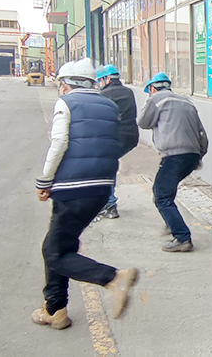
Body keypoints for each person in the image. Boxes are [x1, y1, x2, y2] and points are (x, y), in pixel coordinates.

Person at [32, 58, 138, 330]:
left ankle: (113, 278)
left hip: (72, 188)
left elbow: (59, 143)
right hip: (101, 188)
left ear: (66, 84)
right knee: (59, 246)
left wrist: (44, 180)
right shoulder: (109, 106)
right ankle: (55, 309)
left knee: (54, 253)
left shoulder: (66, 103)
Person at [137, 72, 209, 252]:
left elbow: (143, 122)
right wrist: (199, 155)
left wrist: (150, 100)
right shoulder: (187, 101)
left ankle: (182, 237)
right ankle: (171, 222)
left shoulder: (156, 99)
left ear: (152, 88)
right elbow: (201, 133)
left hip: (174, 156)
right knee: (163, 191)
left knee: (162, 196)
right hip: (192, 155)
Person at [94, 64, 139, 221]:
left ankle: (109, 204)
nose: (99, 83)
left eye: (100, 80)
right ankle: (108, 202)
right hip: (130, 137)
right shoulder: (129, 92)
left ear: (107, 79)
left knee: (103, 169)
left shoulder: (103, 95)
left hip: (112, 138)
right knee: (109, 165)